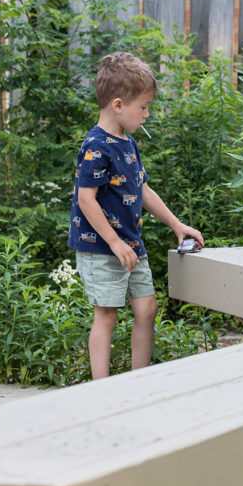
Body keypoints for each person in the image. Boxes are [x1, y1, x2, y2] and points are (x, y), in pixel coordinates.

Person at [68, 51, 203, 379]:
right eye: (142, 107)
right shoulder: (96, 145)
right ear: (117, 105)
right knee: (107, 315)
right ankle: (103, 391)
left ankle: (137, 383)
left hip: (130, 244)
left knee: (147, 308)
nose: (147, 113)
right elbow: (86, 200)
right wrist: (114, 243)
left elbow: (141, 189)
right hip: (103, 247)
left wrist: (176, 224)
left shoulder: (128, 143)